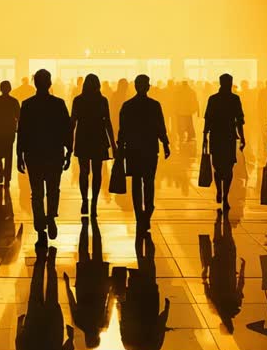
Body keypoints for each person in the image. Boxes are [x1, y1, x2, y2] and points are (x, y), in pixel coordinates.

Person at [17, 69, 72, 244]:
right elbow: (66, 129)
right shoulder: (58, 104)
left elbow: (22, 132)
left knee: (37, 191)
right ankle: (51, 216)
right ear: (49, 84)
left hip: (33, 153)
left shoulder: (27, 105)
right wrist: (69, 151)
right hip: (54, 153)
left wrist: (19, 154)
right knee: (53, 189)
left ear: (35, 83)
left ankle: (39, 219)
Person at [16, 246, 75, 350]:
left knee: (52, 293)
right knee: (35, 290)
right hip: (33, 332)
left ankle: (51, 264)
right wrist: (19, 331)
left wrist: (70, 339)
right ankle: (41, 260)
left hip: (52, 334)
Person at [118, 74, 170, 229]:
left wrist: (120, 147)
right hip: (150, 148)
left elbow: (123, 130)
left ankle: (139, 213)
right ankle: (148, 210)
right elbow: (160, 126)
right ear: (148, 86)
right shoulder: (154, 105)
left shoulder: (127, 106)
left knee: (136, 182)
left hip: (133, 149)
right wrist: (165, 144)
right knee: (149, 181)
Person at [117, 233, 169, 350]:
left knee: (150, 265)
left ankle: (147, 238)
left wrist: (166, 310)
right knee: (140, 265)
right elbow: (122, 323)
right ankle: (141, 239)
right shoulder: (128, 346)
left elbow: (160, 326)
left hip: (149, 302)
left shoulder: (155, 347)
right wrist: (121, 304)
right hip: (134, 301)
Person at [70, 74, 115, 217]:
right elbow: (107, 122)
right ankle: (94, 201)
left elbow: (72, 122)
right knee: (97, 172)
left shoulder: (78, 100)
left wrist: (67, 142)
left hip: (83, 138)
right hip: (98, 138)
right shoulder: (102, 101)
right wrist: (113, 144)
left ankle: (84, 200)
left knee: (84, 172)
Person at [64, 218, 111, 350]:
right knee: (83, 250)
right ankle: (85, 226)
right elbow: (72, 303)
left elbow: (109, 302)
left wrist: (109, 285)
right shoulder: (79, 323)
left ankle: (94, 224)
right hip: (84, 284)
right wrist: (67, 285)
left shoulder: (102, 324)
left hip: (98, 282)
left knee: (97, 248)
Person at [203, 74, 245, 213]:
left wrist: (205, 136)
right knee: (228, 168)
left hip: (217, 136)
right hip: (228, 137)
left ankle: (220, 192)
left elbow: (208, 119)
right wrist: (242, 137)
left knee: (218, 167)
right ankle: (224, 194)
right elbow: (239, 120)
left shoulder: (213, 99)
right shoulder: (234, 99)